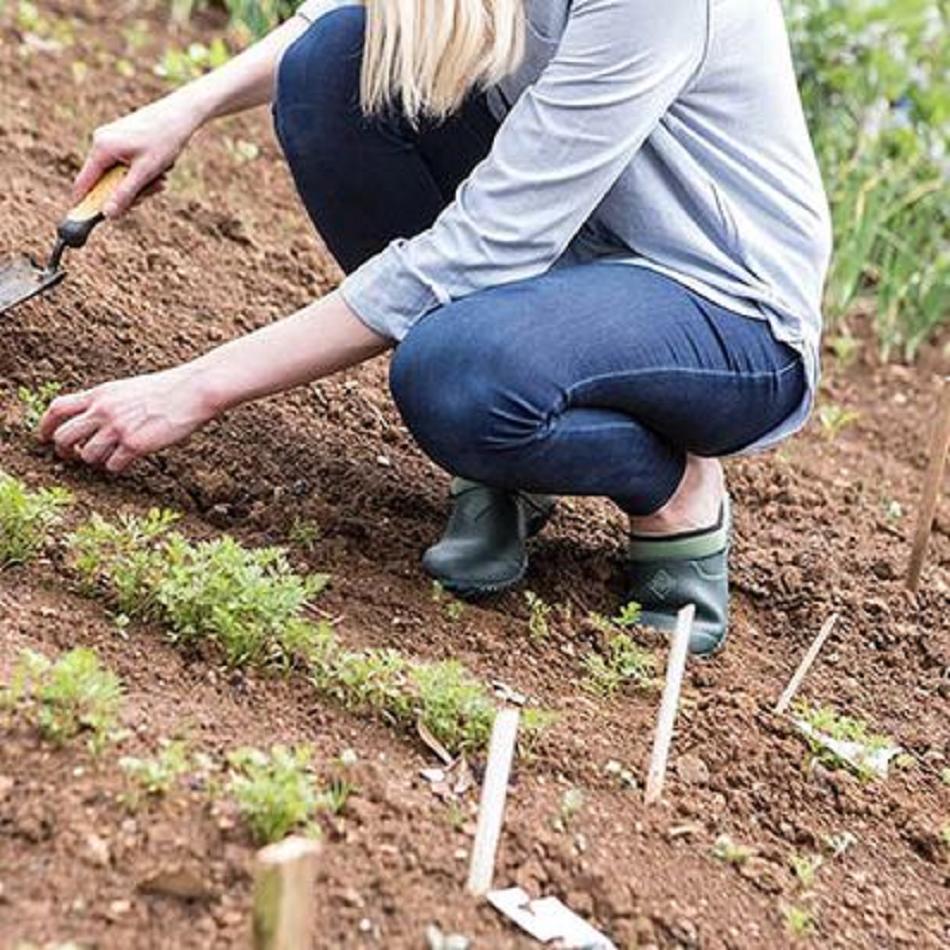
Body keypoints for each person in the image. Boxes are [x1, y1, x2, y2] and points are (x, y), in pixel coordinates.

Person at [39, 0, 832, 656]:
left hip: (721, 303)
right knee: (334, 66)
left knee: (455, 373)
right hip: (568, 245)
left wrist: (196, 386)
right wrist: (189, 106)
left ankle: (671, 485)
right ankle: (511, 453)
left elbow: (486, 245)